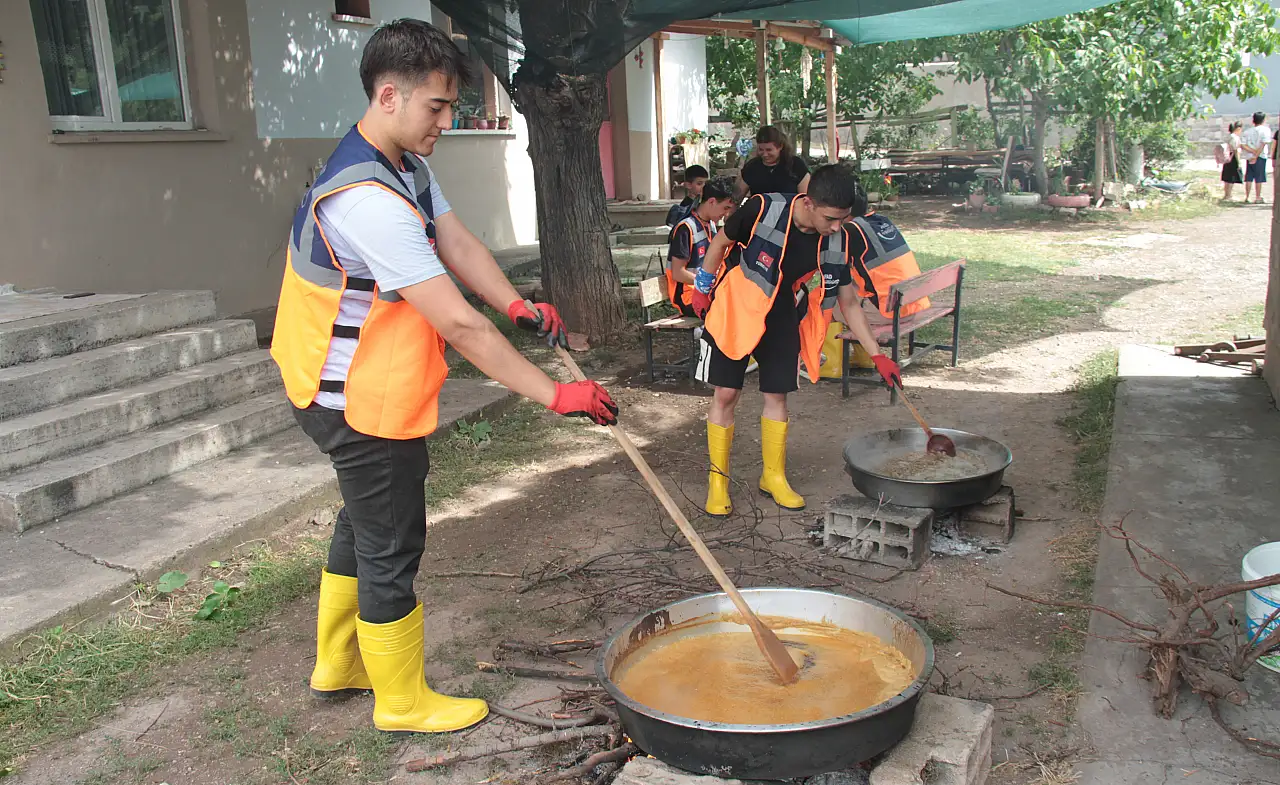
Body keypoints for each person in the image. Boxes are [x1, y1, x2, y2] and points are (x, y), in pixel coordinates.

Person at [270, 19, 619, 736]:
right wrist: (556, 394)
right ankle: (401, 702)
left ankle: (338, 663)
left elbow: (456, 241)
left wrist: (516, 304)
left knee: (363, 522)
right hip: (355, 398)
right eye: (437, 107)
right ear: (389, 96)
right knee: (391, 540)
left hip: (347, 385)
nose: (447, 121)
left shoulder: (401, 165)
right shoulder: (367, 200)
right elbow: (460, 326)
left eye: (454, 106)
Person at [688, 166, 902, 516]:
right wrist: (703, 285)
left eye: (843, 219)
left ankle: (773, 476)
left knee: (777, 395)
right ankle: (718, 481)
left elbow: (848, 302)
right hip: (737, 306)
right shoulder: (762, 208)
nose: (837, 227)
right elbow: (721, 241)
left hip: (781, 312)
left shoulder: (837, 239)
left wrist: (877, 355)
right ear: (809, 203)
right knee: (726, 394)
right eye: (831, 218)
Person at [666, 179, 737, 316]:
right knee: (730, 312)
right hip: (688, 297)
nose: (726, 214)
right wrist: (709, 283)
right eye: (725, 208)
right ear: (712, 201)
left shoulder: (711, 225)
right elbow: (677, 273)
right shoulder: (685, 228)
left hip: (706, 292)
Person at [848, 211, 930, 321]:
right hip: (915, 305)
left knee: (829, 301)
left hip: (890, 314)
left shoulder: (851, 229)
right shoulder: (882, 221)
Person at [738, 126, 811, 197]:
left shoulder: (796, 165)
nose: (765, 154)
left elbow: (806, 199)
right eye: (761, 149)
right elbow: (737, 197)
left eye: (769, 150)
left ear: (780, 147)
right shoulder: (751, 167)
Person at [1241, 111, 1273, 203]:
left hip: (1249, 156)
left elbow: (1243, 145)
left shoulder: (1247, 131)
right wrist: (1256, 154)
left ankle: (1247, 197)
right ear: (1263, 120)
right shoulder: (1265, 130)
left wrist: (1252, 152)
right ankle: (1258, 196)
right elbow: (1263, 144)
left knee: (1249, 177)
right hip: (1261, 156)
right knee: (1259, 177)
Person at [1221, 121, 1244, 201]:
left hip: (1227, 157)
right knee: (1231, 178)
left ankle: (1226, 195)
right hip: (1232, 158)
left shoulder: (1228, 136)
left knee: (1227, 178)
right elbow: (1236, 150)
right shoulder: (1235, 138)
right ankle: (1229, 195)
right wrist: (1239, 162)